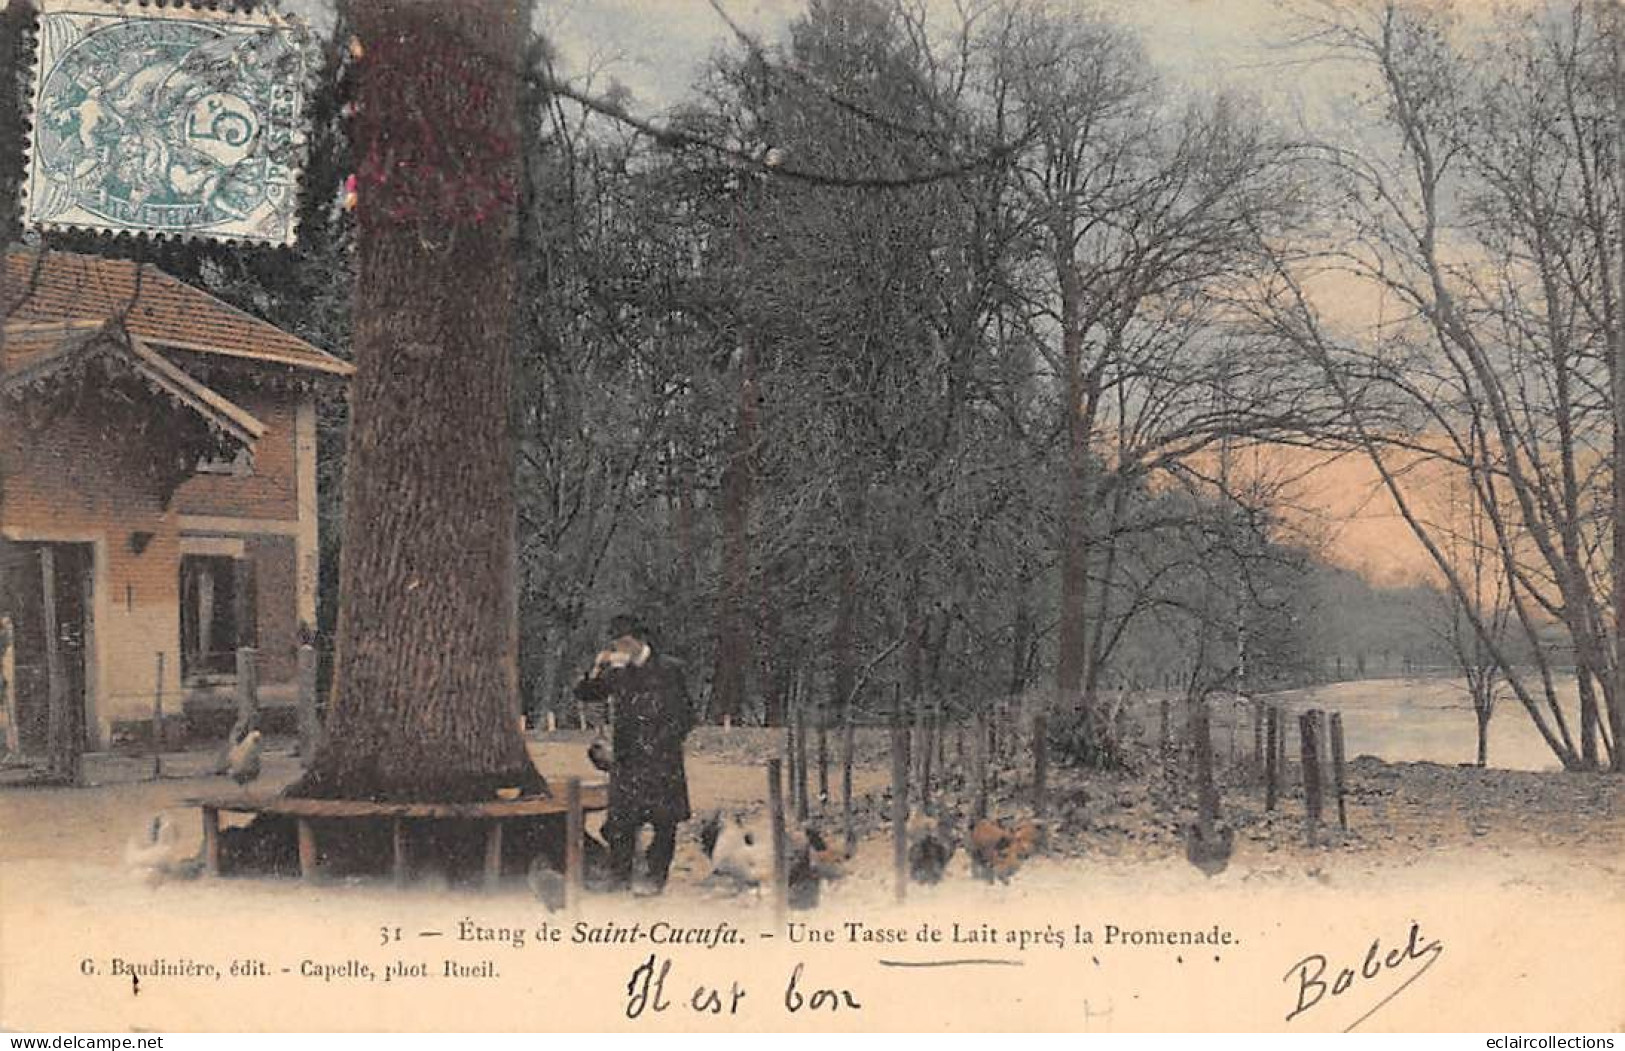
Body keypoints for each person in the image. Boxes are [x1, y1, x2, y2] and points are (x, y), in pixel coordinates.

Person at [574, 614, 693, 893]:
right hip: (627, 759)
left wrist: (661, 744)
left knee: (665, 822)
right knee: (621, 820)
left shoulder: (669, 669)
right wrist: (597, 668)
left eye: (625, 642)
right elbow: (587, 694)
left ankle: (655, 877)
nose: (621, 648)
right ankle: (620, 876)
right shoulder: (618, 671)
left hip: (662, 758)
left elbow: (686, 716)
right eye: (616, 643)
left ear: (639, 640)